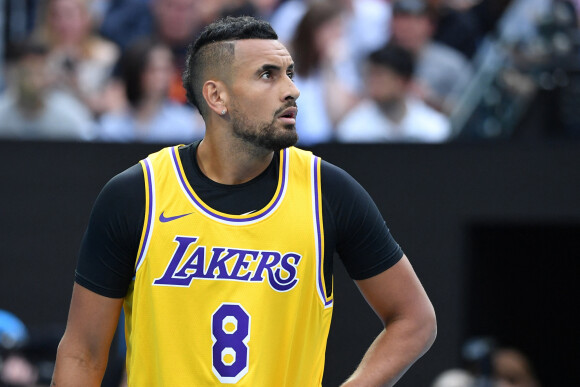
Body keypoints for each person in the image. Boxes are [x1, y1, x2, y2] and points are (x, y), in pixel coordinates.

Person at [52, 16, 436, 386]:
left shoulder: (327, 191)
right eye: (268, 74)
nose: (291, 89)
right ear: (217, 96)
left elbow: (415, 319)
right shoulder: (138, 193)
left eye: (290, 73)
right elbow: (82, 352)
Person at [337, 43, 451, 143]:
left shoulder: (434, 128)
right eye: (369, 76)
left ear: (403, 81)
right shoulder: (352, 130)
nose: (372, 83)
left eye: (379, 76)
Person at [97, 38, 204, 143]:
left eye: (166, 69)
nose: (161, 77)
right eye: (153, 70)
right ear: (136, 73)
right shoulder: (111, 126)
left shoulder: (186, 126)